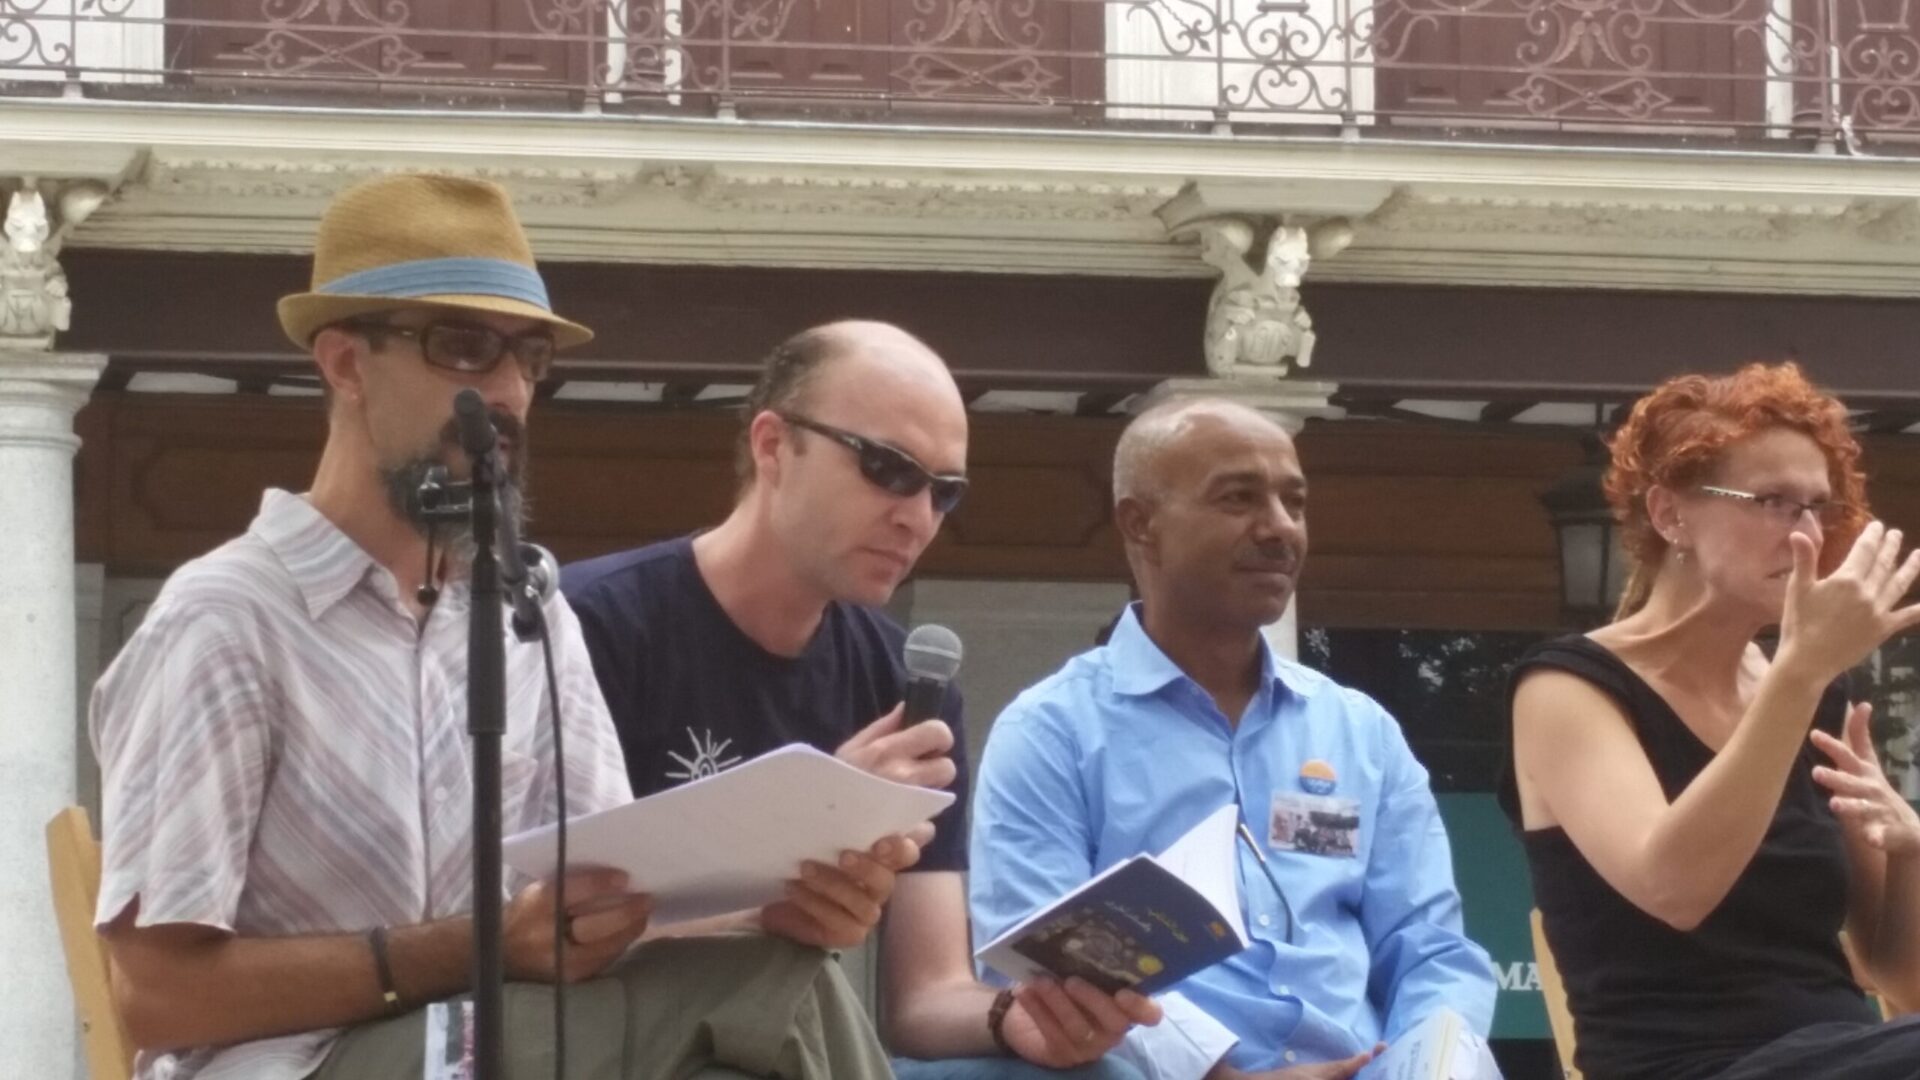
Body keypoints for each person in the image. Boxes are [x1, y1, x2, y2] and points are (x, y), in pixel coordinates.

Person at [89, 174, 891, 1080]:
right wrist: (477, 947)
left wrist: (775, 907)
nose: (506, 391)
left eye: (529, 358)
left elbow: (601, 909)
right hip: (298, 1064)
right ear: (346, 363)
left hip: (493, 1034)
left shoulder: (526, 606)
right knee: (765, 1007)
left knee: (774, 984)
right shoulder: (227, 619)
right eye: (464, 347)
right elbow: (155, 995)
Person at [563, 320, 1162, 1079]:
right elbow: (533, 936)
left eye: (946, 493)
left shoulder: (911, 686)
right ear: (774, 446)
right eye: (888, 468)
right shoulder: (587, 628)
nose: (917, 517)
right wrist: (791, 854)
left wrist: (1019, 1016)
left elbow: (926, 996)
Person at [970, 398, 1497, 1080]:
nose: (1280, 528)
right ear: (1141, 524)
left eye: (1295, 502)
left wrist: (1422, 1069)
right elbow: (1047, 968)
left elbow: (1430, 952)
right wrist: (1219, 1076)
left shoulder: (1361, 732)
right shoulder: (1050, 734)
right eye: (1239, 498)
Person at [1503, 362, 1920, 1080]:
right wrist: (1797, 674)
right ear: (1670, 516)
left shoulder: (1812, 688)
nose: (1808, 534)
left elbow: (1902, 982)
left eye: (1820, 507)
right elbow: (1674, 890)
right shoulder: (1567, 687)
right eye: (1774, 502)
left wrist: (1910, 851)